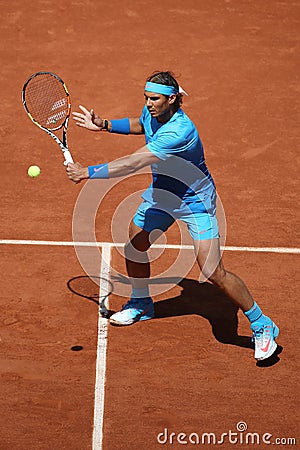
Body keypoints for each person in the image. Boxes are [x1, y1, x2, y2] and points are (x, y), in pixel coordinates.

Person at [67, 70, 279, 361]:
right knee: (135, 244)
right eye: (146, 98)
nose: (149, 104)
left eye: (154, 99)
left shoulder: (180, 131)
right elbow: (140, 124)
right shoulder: (153, 111)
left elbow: (133, 162)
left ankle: (261, 323)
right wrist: (104, 124)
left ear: (173, 99)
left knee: (213, 272)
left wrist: (86, 172)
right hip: (163, 195)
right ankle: (141, 303)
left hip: (195, 202)